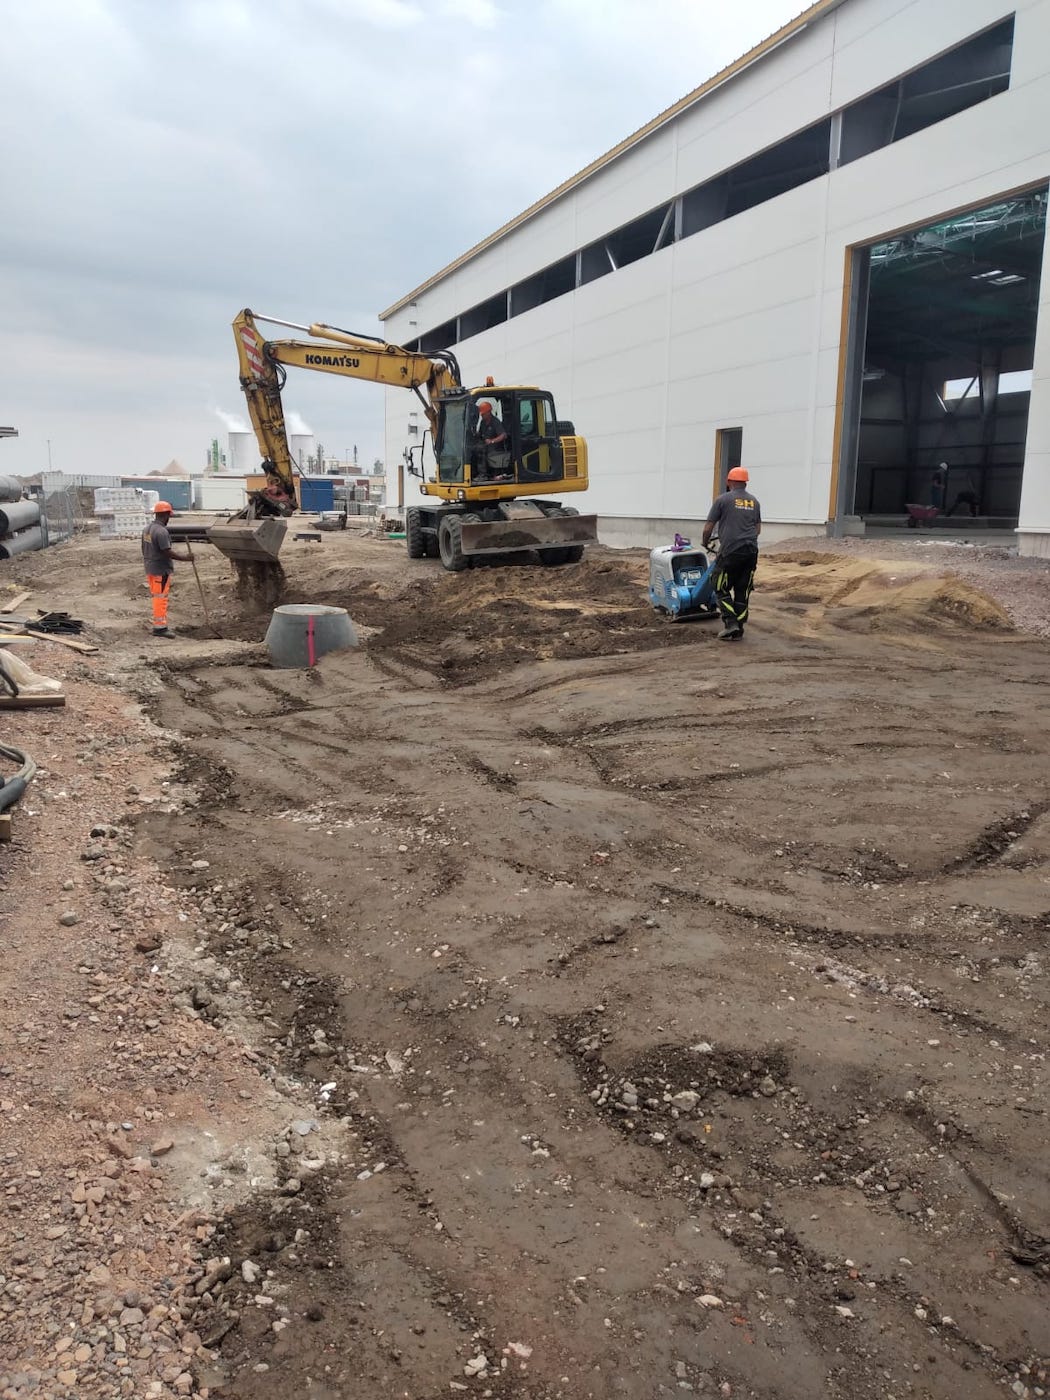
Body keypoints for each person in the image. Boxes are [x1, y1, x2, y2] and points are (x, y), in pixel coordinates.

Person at [703, 466, 761, 641]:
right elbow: (757, 529)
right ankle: (740, 627)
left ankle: (731, 623)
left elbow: (709, 527)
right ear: (745, 483)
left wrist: (705, 541)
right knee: (743, 588)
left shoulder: (722, 500)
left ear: (729, 482)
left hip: (730, 551)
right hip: (751, 551)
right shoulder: (754, 502)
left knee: (719, 585)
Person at [141, 501, 192, 638]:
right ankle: (160, 628)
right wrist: (186, 558)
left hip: (150, 567)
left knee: (157, 596)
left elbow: (144, 549)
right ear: (165, 515)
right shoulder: (162, 531)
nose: (169, 518)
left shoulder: (147, 529)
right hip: (160, 570)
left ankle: (160, 625)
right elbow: (166, 552)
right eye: (169, 515)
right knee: (160, 598)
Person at [474, 400, 512, 481]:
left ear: (489, 412)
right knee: (474, 448)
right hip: (486, 444)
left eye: (483, 414)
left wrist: (492, 441)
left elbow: (503, 435)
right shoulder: (483, 422)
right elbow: (480, 435)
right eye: (481, 414)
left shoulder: (495, 422)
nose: (482, 415)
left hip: (495, 447)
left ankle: (483, 475)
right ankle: (475, 472)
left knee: (480, 449)